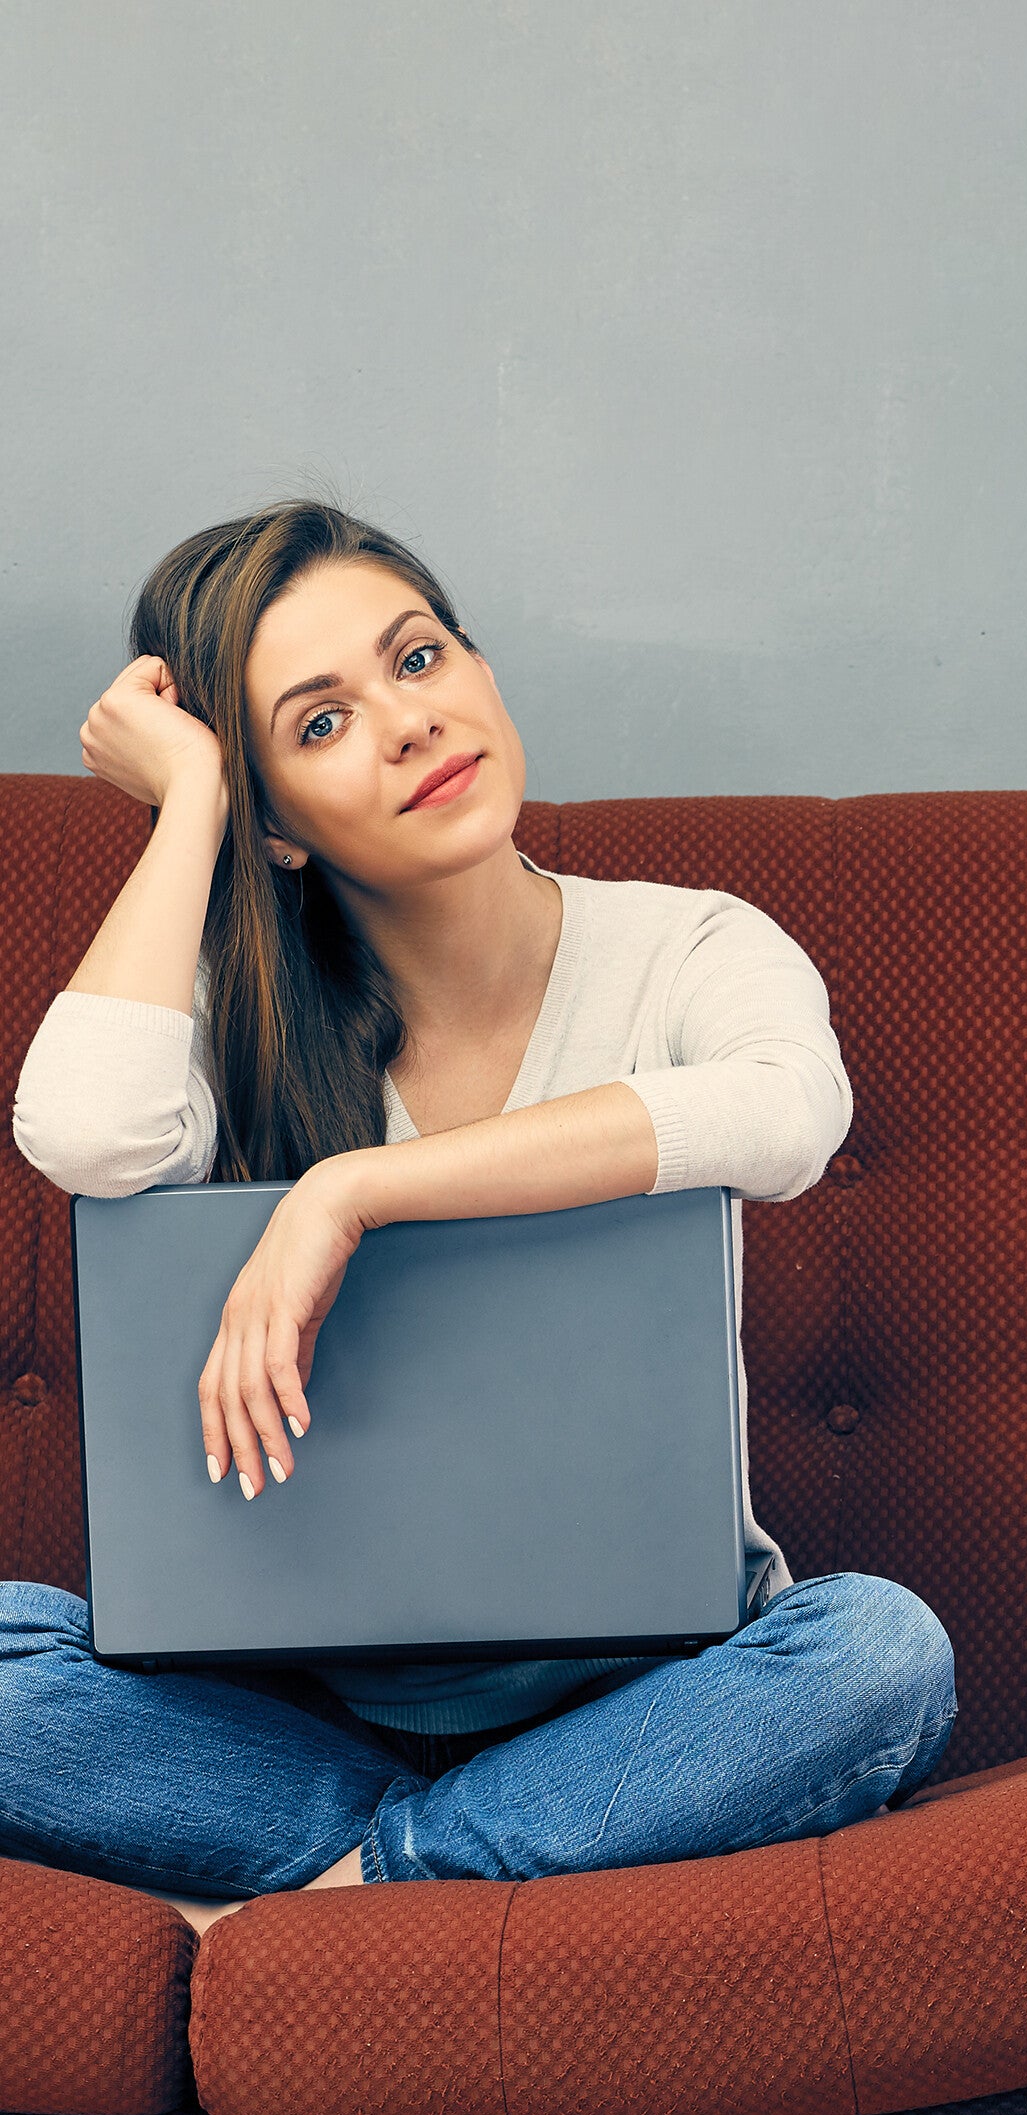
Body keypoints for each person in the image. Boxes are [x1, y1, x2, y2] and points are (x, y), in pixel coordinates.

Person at [1, 501, 955, 1935]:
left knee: (880, 1651)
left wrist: (359, 1187)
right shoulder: (244, 1016)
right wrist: (193, 806)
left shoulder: (691, 943)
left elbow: (783, 1114)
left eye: (420, 657)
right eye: (318, 726)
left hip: (647, 1705)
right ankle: (441, 1861)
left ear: (482, 668)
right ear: (277, 824)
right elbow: (83, 1132)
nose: (406, 724)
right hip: (288, 1727)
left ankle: (334, 1902)